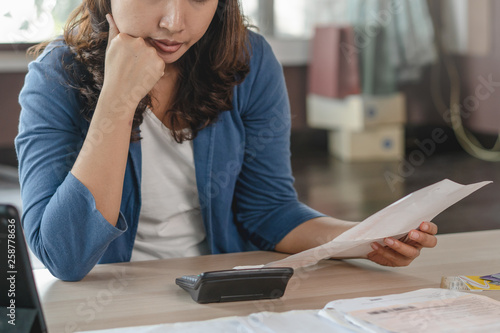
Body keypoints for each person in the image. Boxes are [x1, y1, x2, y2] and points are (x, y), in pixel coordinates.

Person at [15, 0, 438, 282]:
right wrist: (117, 102)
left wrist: (365, 239)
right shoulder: (56, 78)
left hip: (215, 291)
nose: (174, 22)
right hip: (111, 299)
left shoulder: (249, 63)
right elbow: (63, 256)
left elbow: (269, 211)